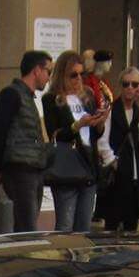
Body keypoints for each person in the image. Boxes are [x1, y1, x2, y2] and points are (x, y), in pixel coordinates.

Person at [0, 49, 52, 235]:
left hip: (32, 169)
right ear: (37, 70)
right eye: (48, 71)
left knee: (27, 224)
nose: (49, 77)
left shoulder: (28, 98)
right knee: (26, 228)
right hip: (20, 170)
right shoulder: (12, 95)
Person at [44, 50, 108, 232]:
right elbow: (54, 135)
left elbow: (94, 136)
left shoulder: (86, 97)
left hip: (89, 164)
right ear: (62, 75)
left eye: (82, 74)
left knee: (84, 226)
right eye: (73, 75)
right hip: (68, 166)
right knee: (65, 225)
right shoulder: (52, 99)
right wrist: (77, 125)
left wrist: (99, 123)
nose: (78, 79)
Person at [103, 67, 139, 232]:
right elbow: (102, 140)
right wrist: (112, 161)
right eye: (126, 84)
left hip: (135, 171)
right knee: (113, 222)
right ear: (120, 86)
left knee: (132, 224)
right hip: (117, 173)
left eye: (135, 84)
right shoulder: (111, 109)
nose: (130, 88)